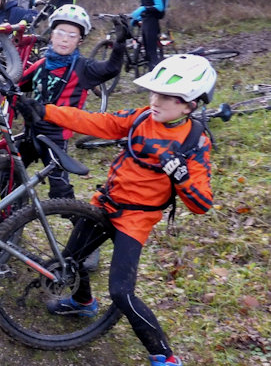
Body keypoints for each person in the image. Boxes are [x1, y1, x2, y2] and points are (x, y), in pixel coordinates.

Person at [16, 54, 217, 366]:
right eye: (154, 92)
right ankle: (83, 302)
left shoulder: (195, 142)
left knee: (122, 293)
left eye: (166, 97)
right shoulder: (141, 118)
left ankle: (165, 355)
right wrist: (46, 111)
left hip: (135, 219)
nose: (156, 100)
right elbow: (97, 122)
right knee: (70, 260)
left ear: (189, 104)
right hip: (105, 205)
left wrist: (181, 177)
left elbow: (202, 204)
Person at [16, 4, 127, 200]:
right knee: (9, 174)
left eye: (72, 35)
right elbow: (19, 83)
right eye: (60, 32)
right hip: (31, 131)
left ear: (80, 41)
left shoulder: (83, 68)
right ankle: (9, 217)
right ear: (51, 35)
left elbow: (111, 69)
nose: (65, 39)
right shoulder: (41, 64)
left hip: (56, 136)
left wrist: (120, 44)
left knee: (60, 191)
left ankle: (79, 220)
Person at [131, 0, 165, 70]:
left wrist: (143, 8)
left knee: (151, 53)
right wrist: (137, 17)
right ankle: (149, 73)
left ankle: (156, 75)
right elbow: (145, 7)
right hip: (145, 22)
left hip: (152, 23)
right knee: (146, 52)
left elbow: (160, 7)